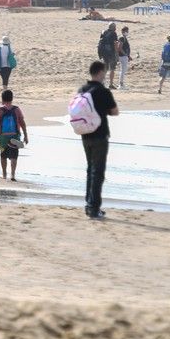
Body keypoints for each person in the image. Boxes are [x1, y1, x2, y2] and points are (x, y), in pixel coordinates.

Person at [78, 61, 119, 219]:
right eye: (105, 72)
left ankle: (89, 205)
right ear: (101, 72)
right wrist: (104, 110)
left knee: (90, 170)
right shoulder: (102, 91)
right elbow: (115, 111)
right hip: (100, 134)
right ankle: (94, 208)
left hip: (85, 134)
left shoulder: (83, 90)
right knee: (98, 172)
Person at [0, 90, 29, 181]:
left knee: (3, 155)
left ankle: (4, 174)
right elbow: (22, 122)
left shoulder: (0, 111)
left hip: (3, 136)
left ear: (2, 99)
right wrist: (25, 135)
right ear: (12, 99)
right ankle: (12, 175)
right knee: (14, 155)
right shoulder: (17, 110)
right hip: (15, 135)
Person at [97, 22, 119, 90]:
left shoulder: (103, 32)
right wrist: (116, 53)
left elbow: (100, 42)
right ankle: (111, 84)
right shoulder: (114, 33)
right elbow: (115, 43)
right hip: (111, 53)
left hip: (103, 52)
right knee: (112, 69)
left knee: (105, 68)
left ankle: (101, 83)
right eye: (115, 27)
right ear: (112, 27)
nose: (115, 28)